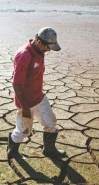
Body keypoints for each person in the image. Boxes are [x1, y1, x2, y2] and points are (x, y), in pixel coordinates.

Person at [8, 27, 66, 159]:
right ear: (39, 41)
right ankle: (12, 152)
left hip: (39, 97)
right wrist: (25, 108)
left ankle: (49, 150)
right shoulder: (24, 55)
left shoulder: (39, 52)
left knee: (51, 123)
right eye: (48, 47)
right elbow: (16, 84)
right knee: (23, 131)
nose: (49, 50)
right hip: (26, 102)